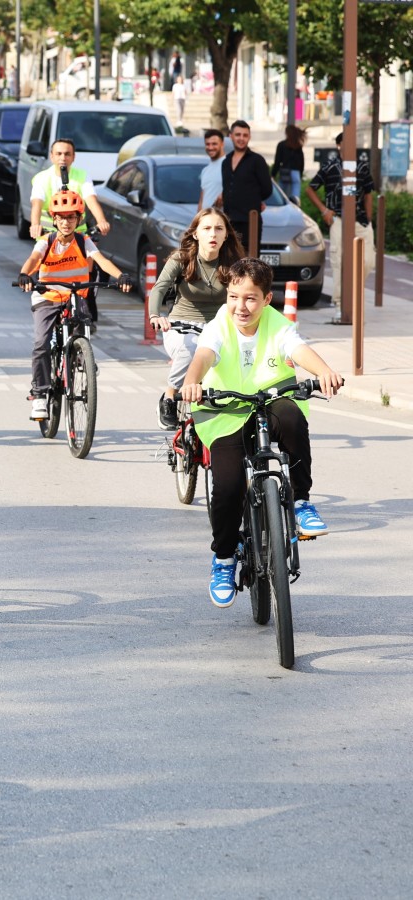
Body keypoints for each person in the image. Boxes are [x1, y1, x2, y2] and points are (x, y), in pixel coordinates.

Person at [180, 258, 342, 606]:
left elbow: (298, 351)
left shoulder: (277, 324)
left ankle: (300, 502)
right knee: (227, 486)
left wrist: (325, 371)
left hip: (270, 401)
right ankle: (224, 558)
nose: (241, 306)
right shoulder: (219, 326)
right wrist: (192, 381)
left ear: (267, 299)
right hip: (223, 411)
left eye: (251, 298)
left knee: (293, 420)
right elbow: (205, 356)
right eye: (234, 296)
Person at [18, 190, 132, 421]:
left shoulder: (83, 241)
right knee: (41, 342)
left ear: (79, 219)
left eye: (71, 217)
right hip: (47, 296)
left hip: (74, 294)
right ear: (54, 219)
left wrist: (121, 276)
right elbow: (33, 260)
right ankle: (40, 394)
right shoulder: (45, 241)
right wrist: (24, 274)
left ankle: (82, 356)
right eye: (61, 217)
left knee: (83, 321)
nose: (66, 222)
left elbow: (101, 260)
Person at [148, 207, 246, 429]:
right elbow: (159, 288)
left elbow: (248, 294)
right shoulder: (182, 259)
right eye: (207, 228)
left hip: (220, 327)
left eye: (219, 229)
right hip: (181, 324)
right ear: (195, 233)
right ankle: (170, 398)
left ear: (226, 234)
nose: (213, 234)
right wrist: (156, 316)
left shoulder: (235, 263)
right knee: (190, 350)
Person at [305, 132, 376, 325]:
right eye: (347, 142)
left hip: (360, 222)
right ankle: (339, 305)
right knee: (339, 262)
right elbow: (310, 188)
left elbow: (369, 192)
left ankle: (351, 293)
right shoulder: (329, 167)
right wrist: (324, 211)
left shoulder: (362, 167)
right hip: (338, 220)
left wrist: (369, 217)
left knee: (368, 260)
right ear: (339, 145)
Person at [28, 138, 110, 240]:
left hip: (77, 236)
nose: (63, 158)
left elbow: (91, 200)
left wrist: (101, 221)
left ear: (73, 157)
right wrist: (35, 225)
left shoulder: (82, 176)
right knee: (37, 256)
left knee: (91, 254)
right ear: (51, 156)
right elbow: (36, 204)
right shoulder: (41, 178)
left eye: (67, 154)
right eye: (59, 154)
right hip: (48, 237)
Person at [220, 120, 271, 250]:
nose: (241, 138)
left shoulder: (257, 161)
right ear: (231, 136)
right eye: (238, 135)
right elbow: (227, 187)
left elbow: (267, 189)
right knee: (230, 263)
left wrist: (254, 200)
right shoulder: (226, 161)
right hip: (229, 221)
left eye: (245, 135)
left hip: (250, 221)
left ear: (249, 137)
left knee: (250, 264)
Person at [272, 125, 306, 203]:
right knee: (295, 200)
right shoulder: (298, 145)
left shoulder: (281, 144)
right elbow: (302, 162)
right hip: (296, 173)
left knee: (282, 198)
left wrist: (273, 175)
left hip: (285, 173)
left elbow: (277, 161)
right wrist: (300, 174)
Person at [196, 130, 226, 208]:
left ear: (222, 144)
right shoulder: (205, 170)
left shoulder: (229, 165)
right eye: (207, 144)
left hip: (223, 218)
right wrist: (199, 218)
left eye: (214, 144)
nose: (210, 147)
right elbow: (202, 200)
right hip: (206, 218)